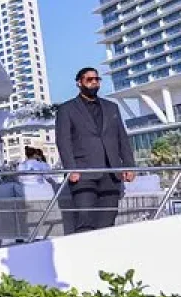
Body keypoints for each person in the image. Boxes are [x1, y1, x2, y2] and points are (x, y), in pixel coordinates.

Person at [54, 67, 135, 232]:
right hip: (83, 173)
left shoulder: (111, 107)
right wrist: (71, 169)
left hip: (111, 173)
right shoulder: (66, 109)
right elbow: (63, 141)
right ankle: (85, 256)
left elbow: (122, 138)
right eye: (89, 79)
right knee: (85, 221)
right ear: (79, 83)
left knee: (108, 222)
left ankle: (104, 256)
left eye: (97, 79)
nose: (94, 82)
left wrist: (129, 165)